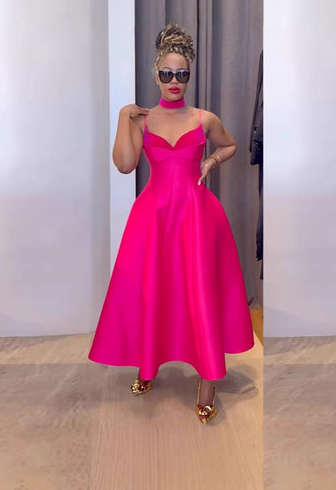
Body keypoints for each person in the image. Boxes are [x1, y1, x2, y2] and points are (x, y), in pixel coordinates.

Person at [88, 23, 254, 424]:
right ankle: (148, 364)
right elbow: (125, 165)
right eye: (166, 73)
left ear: (189, 75)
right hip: (154, 217)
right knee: (154, 291)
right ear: (155, 74)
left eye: (181, 74)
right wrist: (123, 118)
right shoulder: (141, 121)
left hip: (197, 217)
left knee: (199, 292)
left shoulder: (205, 118)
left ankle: (208, 381)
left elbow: (231, 144)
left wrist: (211, 160)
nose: (174, 81)